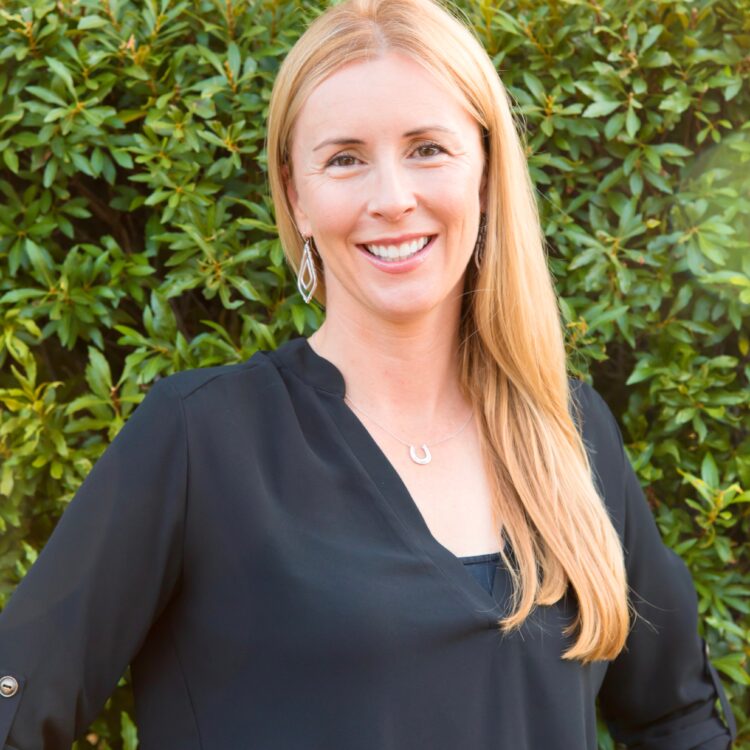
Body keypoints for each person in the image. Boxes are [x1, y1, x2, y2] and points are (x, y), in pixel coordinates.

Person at [0, 0, 738, 747]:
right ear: (297, 194)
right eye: (345, 158)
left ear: (485, 172)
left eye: (427, 149)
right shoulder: (202, 441)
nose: (392, 199)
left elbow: (678, 717)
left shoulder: (569, 433)